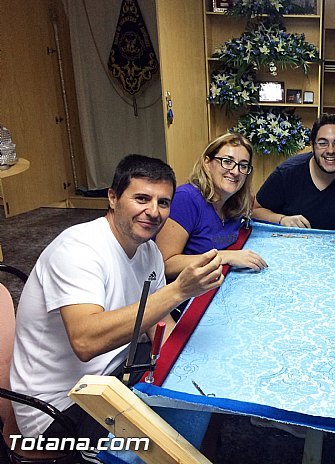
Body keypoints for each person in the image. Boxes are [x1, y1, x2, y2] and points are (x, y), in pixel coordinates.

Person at [10, 155, 225, 449]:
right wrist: (178, 291)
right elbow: (86, 342)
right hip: (60, 408)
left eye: (163, 203)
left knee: (202, 405)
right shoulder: (78, 249)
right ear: (112, 197)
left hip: (114, 374)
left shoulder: (148, 251)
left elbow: (160, 324)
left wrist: (194, 371)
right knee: (174, 442)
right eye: (141, 198)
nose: (153, 211)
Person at [156, 133, 267, 282]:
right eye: (227, 161)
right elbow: (165, 265)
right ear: (207, 162)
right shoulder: (186, 198)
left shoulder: (235, 201)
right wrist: (225, 256)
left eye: (243, 165)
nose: (235, 171)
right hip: (185, 295)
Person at [252, 113, 335, 231]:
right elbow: (255, 210)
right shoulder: (286, 173)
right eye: (323, 143)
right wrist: (282, 220)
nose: (330, 150)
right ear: (312, 146)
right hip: (292, 247)